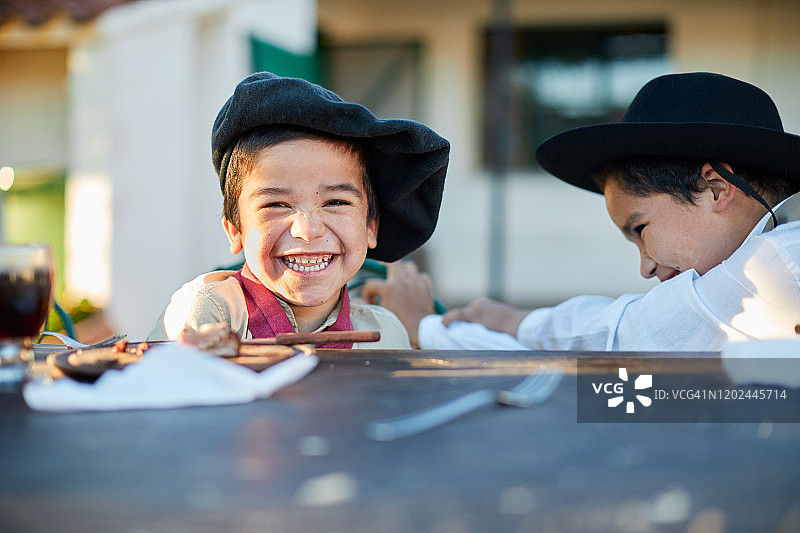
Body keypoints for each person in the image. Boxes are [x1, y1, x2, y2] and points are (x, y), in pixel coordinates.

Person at [363, 72, 800, 351]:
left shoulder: (780, 266)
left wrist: (430, 329)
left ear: (715, 188)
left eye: (641, 228)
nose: (646, 267)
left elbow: (622, 338)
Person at [148, 72, 449, 348]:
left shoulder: (385, 333)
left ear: (371, 226)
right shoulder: (211, 313)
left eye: (336, 202)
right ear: (235, 230)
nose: (307, 230)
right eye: (276, 205)